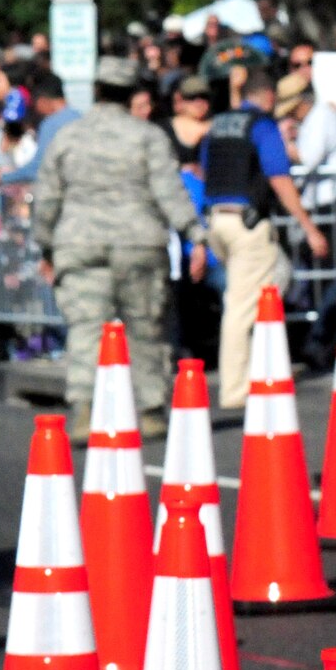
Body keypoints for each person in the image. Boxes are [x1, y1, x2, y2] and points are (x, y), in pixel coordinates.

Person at [34, 57, 208, 443]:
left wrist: (44, 245)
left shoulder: (69, 136)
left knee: (85, 329)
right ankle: (148, 410)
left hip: (78, 241)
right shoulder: (146, 137)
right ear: (132, 95)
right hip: (138, 239)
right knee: (145, 325)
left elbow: (47, 197)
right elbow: (169, 191)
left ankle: (83, 408)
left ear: (96, 90)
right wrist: (194, 233)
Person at [198, 66, 330, 411]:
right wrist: (309, 226)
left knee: (277, 276)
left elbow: (204, 169)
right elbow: (279, 178)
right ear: (269, 97)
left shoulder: (219, 124)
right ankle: (235, 388)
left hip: (218, 221)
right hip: (247, 225)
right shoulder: (262, 126)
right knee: (241, 307)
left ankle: (264, 365)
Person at [0, 69, 79, 186]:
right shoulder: (81, 118)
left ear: (42, 101)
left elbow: (39, 168)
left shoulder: (51, 124)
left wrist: (3, 177)